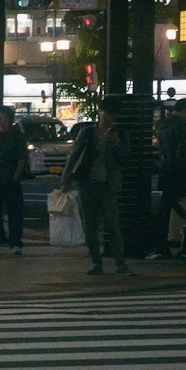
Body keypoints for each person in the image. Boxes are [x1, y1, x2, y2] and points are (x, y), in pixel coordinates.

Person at [66, 106, 129, 274]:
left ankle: (121, 264)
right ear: (101, 112)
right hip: (87, 183)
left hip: (108, 185)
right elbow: (74, 154)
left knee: (112, 224)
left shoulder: (119, 134)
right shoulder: (87, 133)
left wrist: (117, 143)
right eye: (108, 112)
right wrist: (66, 178)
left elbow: (124, 157)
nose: (110, 117)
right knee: (90, 226)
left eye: (113, 114)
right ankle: (96, 263)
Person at [153, 102, 186, 259]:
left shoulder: (163, 125)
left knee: (165, 210)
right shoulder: (181, 125)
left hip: (168, 172)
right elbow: (185, 151)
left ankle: (161, 247)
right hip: (185, 172)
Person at [0, 105, 29, 256]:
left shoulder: (17, 135)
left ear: (9, 119)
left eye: (1, 116)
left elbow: (22, 157)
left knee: (14, 211)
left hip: (11, 177)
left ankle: (15, 243)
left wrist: (16, 175)